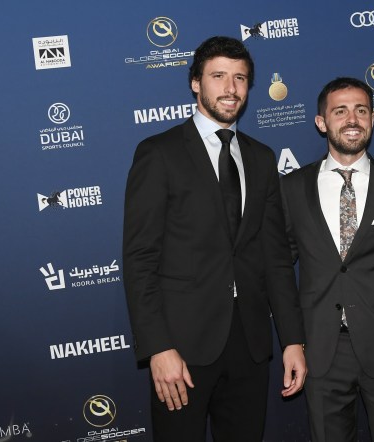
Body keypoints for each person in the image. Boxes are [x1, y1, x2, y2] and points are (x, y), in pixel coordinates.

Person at [122, 36, 306, 441]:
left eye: (240, 78)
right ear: (195, 83)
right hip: (182, 346)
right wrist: (158, 347)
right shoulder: (159, 153)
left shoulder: (261, 157)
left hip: (250, 344)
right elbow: (139, 259)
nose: (230, 88)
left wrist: (293, 340)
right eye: (218, 76)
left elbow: (275, 257)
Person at [280, 77, 374, 442]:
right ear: (322, 122)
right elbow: (279, 273)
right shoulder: (291, 189)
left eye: (361, 110)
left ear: (373, 118)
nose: (352, 119)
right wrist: (292, 341)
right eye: (340, 111)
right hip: (320, 352)